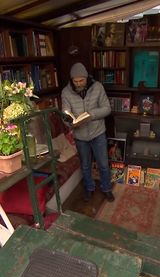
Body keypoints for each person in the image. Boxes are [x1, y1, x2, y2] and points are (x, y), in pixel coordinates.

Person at [61, 62, 114, 202]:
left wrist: (91, 114)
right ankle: (89, 188)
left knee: (103, 163)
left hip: (98, 133)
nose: (78, 84)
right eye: (75, 81)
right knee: (85, 165)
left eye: (81, 80)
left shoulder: (97, 87)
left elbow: (107, 108)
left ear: (86, 77)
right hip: (80, 135)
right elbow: (65, 114)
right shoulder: (66, 92)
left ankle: (106, 188)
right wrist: (69, 121)